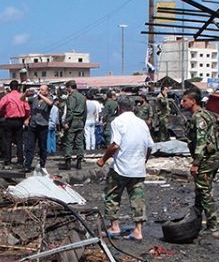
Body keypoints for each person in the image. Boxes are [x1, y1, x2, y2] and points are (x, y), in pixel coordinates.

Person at [98, 96, 154, 241]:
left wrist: (103, 159)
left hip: (121, 167)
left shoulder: (118, 121)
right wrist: (143, 161)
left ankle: (114, 226)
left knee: (112, 196)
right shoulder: (141, 122)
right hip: (138, 168)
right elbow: (149, 146)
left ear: (119, 108)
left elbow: (115, 144)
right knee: (137, 199)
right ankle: (138, 230)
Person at [181, 89, 219, 234]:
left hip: (206, 158)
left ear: (193, 101)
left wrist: (196, 163)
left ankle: (212, 225)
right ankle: (196, 220)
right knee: (201, 189)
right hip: (213, 157)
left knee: (204, 190)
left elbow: (201, 141)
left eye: (185, 100)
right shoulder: (207, 114)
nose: (182, 103)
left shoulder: (199, 117)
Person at [0, 80, 29, 166]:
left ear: (10, 88)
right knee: (19, 141)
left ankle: (8, 160)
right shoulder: (22, 96)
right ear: (18, 87)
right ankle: (20, 160)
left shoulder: (7, 97)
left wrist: (5, 111)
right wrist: (25, 118)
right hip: (19, 120)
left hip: (9, 120)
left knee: (8, 141)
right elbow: (28, 109)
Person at [22, 84, 54, 173]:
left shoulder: (49, 98)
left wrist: (40, 95)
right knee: (30, 146)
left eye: (42, 90)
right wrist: (25, 93)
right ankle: (27, 165)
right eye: (39, 89)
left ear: (47, 91)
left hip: (43, 126)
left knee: (42, 146)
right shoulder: (34, 99)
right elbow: (22, 99)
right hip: (33, 125)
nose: (40, 91)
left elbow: (50, 103)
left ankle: (42, 164)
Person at [60, 80, 87, 170]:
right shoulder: (82, 97)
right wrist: (83, 122)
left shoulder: (71, 97)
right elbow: (85, 112)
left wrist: (66, 122)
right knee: (79, 142)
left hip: (73, 121)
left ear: (69, 87)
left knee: (69, 142)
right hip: (80, 121)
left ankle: (68, 162)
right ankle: (79, 161)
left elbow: (70, 111)